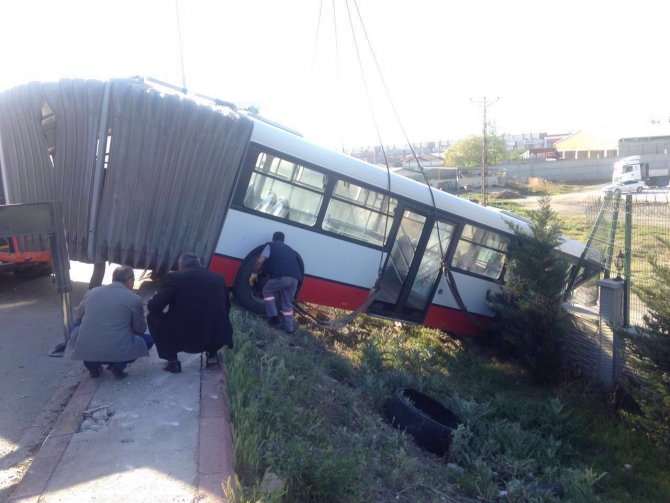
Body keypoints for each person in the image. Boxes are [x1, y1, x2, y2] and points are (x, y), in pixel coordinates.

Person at [147, 252, 233, 373]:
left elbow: (154, 307)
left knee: (152, 317)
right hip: (213, 335)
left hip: (185, 336)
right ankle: (212, 355)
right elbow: (227, 307)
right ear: (200, 264)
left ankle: (173, 362)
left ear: (181, 265)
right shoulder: (219, 278)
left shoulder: (176, 277)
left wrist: (155, 298)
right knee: (216, 318)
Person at [65, 265, 153, 379]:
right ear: (130, 281)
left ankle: (93, 368)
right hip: (118, 349)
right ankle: (118, 366)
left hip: (90, 348)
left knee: (76, 326)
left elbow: (78, 317)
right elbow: (139, 329)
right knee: (148, 340)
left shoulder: (92, 293)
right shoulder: (134, 299)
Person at [249, 231, 303, 334]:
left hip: (283, 277)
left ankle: (273, 318)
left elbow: (260, 261)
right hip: (295, 279)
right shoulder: (291, 250)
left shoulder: (270, 246)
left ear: (273, 239)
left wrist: (254, 273)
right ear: (283, 240)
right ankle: (289, 329)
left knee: (267, 291)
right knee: (287, 303)